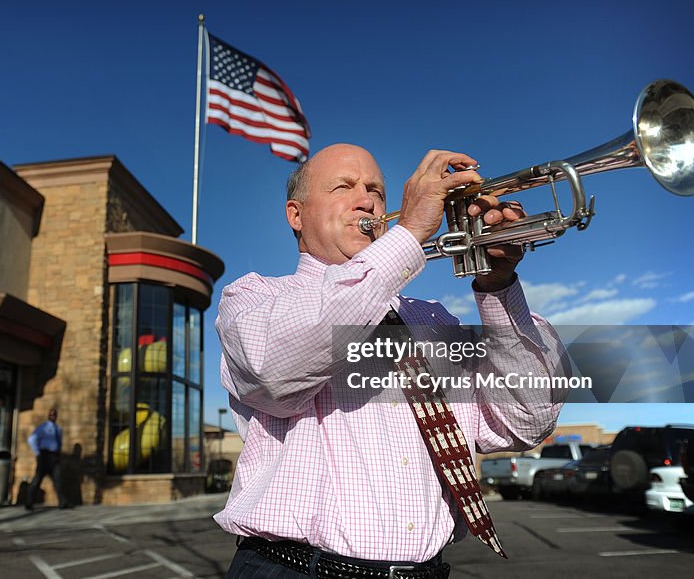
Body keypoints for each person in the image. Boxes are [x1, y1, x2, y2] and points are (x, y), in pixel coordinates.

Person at [215, 144, 569, 578]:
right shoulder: (256, 297)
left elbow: (524, 421)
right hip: (297, 569)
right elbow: (276, 370)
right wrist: (411, 234)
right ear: (296, 215)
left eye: (376, 191)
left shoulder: (434, 317)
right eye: (343, 187)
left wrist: (498, 285)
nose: (366, 200)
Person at [26, 407, 72, 510]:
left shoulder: (58, 429)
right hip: (44, 456)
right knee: (38, 479)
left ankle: (62, 502)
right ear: (48, 416)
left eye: (54, 415)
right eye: (51, 414)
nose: (53, 416)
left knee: (58, 479)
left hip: (54, 457)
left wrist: (58, 452)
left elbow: (59, 442)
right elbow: (31, 439)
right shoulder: (44, 427)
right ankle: (29, 501)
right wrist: (37, 452)